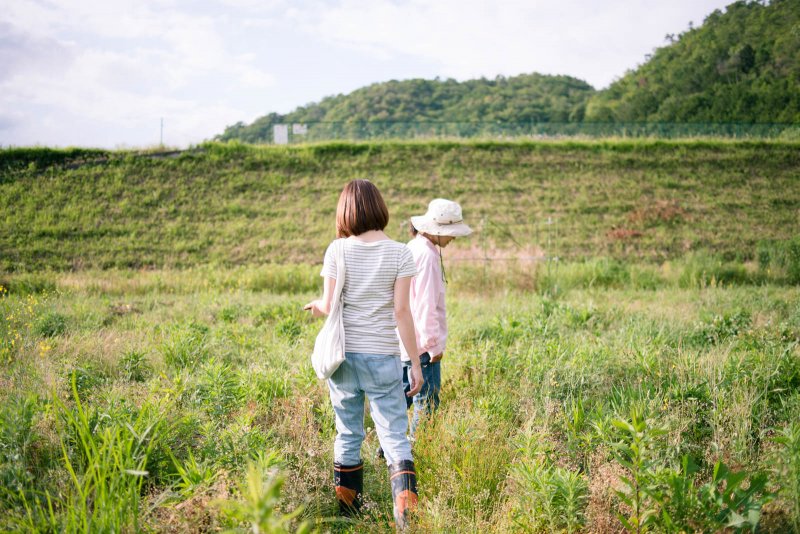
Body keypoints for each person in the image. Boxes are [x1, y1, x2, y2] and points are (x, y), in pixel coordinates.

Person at [304, 179, 424, 529]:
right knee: (394, 436)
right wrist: (414, 363)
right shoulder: (401, 252)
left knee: (348, 433)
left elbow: (328, 305)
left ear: (345, 212)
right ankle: (406, 519)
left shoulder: (336, 250)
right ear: (379, 208)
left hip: (344, 359)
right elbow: (402, 312)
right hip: (383, 357)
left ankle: (349, 515)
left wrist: (315, 307)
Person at [402, 199, 472, 437]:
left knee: (402, 399)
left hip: (404, 340)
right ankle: (414, 451)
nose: (453, 238)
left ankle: (388, 449)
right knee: (427, 402)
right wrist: (433, 346)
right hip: (422, 345)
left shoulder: (412, 247)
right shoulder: (429, 256)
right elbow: (425, 304)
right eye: (451, 233)